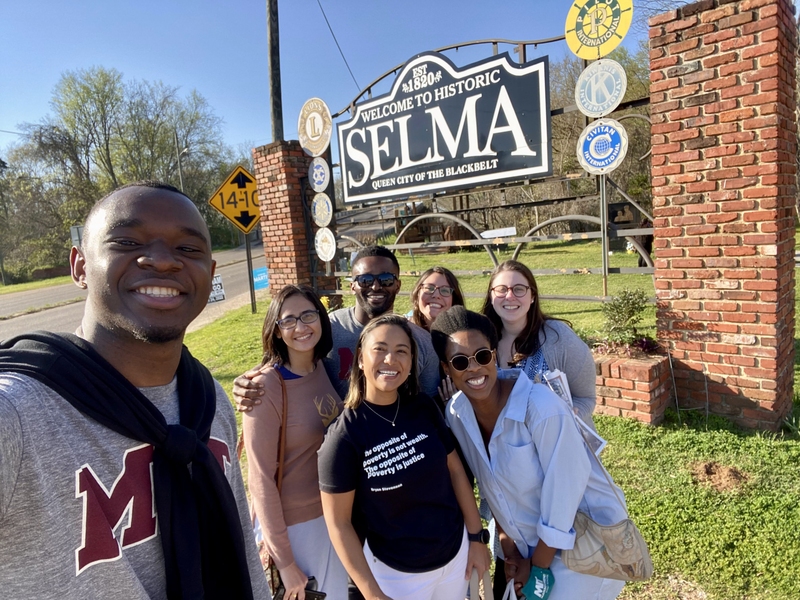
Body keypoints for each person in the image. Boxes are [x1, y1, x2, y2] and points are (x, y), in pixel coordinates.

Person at [0, 182, 267, 599]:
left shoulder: (209, 402)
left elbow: (242, 559)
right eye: (126, 241)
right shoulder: (17, 411)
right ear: (80, 266)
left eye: (188, 249)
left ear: (210, 275)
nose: (162, 261)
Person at [430, 307, 627, 600]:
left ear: (494, 355)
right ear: (446, 369)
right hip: (527, 552)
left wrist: (537, 567)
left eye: (482, 356)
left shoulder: (542, 409)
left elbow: (566, 492)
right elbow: (490, 489)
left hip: (584, 551)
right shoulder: (457, 414)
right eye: (460, 362)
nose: (474, 368)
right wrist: (510, 551)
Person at [317, 314, 490, 600]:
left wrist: (476, 538)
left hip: (456, 558)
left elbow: (456, 472)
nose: (390, 359)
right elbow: (338, 524)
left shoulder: (423, 407)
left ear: (411, 364)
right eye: (380, 349)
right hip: (396, 575)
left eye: (401, 351)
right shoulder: (343, 437)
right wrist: (372, 593)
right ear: (360, 358)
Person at [233, 245, 440, 409]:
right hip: (333, 439)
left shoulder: (421, 342)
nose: (375, 286)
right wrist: (252, 380)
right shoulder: (327, 328)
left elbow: (430, 407)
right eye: (365, 280)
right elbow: (287, 359)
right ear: (352, 286)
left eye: (385, 280)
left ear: (397, 285)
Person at [243, 284, 348, 600]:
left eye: (308, 315)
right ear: (276, 330)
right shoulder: (265, 388)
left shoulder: (320, 367)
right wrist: (285, 561)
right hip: (297, 527)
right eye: (288, 320)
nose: (301, 327)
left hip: (332, 516)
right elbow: (259, 478)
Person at [481, 260, 596, 425]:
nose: (510, 296)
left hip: (554, 445)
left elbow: (586, 398)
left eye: (519, 289)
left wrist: (567, 418)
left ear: (532, 296)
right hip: (500, 447)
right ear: (491, 297)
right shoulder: (481, 340)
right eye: (501, 289)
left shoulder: (558, 337)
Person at [408, 266, 465, 331]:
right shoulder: (403, 331)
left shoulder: (467, 336)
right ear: (417, 293)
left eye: (445, 290)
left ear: (454, 299)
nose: (436, 295)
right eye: (429, 288)